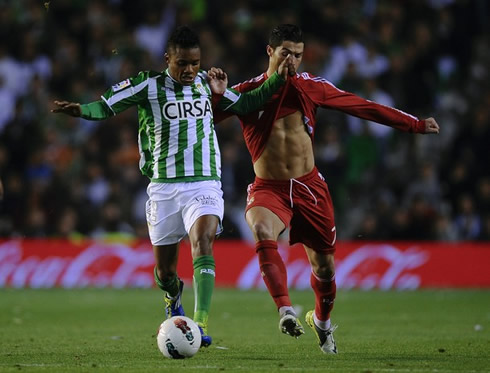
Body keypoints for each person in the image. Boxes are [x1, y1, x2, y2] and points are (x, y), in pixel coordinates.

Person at [52, 25, 294, 347]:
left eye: (195, 62)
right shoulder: (147, 85)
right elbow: (106, 105)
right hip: (163, 188)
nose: (189, 70)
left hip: (204, 182)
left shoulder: (208, 84)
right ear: (168, 59)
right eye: (182, 63)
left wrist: (278, 77)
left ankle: (200, 324)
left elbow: (250, 103)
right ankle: (172, 296)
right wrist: (82, 111)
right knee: (165, 271)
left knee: (203, 241)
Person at [214, 24, 440, 354]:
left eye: (299, 55)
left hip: (309, 187)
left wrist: (414, 124)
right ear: (270, 52)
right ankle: (285, 310)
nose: (293, 60)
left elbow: (363, 106)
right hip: (269, 188)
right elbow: (206, 116)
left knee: (324, 269)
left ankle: (321, 321)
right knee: (261, 228)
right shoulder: (248, 92)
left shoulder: (312, 87)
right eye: (286, 53)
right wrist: (216, 94)